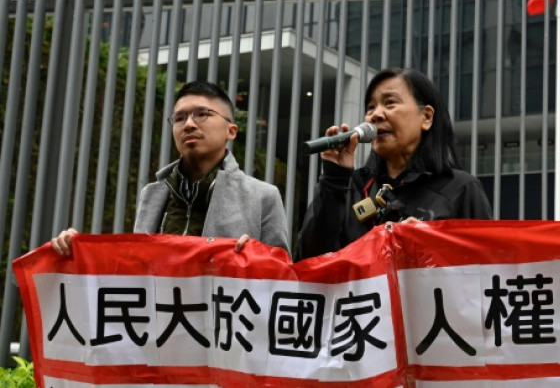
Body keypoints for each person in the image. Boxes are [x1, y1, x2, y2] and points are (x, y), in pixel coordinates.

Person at [52, 81, 290, 255]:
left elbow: (282, 278)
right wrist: (79, 249)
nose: (188, 124)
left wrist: (256, 257)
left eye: (201, 114)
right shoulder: (154, 193)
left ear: (231, 131)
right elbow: (132, 265)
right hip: (161, 320)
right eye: (179, 118)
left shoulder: (263, 196)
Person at [295, 67, 492, 260]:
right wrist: (333, 178)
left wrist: (429, 246)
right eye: (371, 107)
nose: (376, 115)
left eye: (390, 103)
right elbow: (308, 262)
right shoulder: (349, 187)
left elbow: (486, 268)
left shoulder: (460, 189)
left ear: (427, 117)